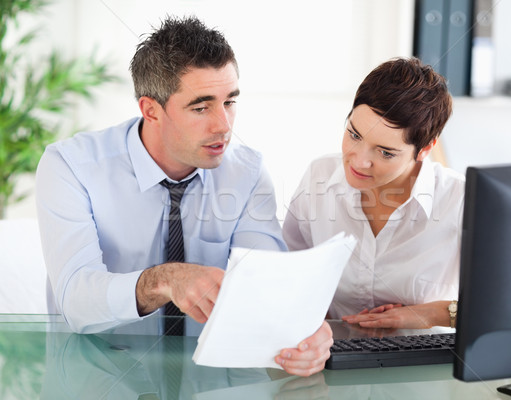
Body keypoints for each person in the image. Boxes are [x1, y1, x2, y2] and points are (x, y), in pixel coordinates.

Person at [36, 16, 331, 377]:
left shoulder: (248, 173)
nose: (223, 125)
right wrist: (165, 279)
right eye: (201, 107)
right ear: (151, 110)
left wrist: (306, 330)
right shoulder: (71, 166)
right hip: (95, 378)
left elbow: (267, 288)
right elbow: (75, 301)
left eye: (230, 102)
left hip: (210, 382)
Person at [282, 57, 465, 329]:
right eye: (354, 135)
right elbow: (288, 276)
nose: (358, 161)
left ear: (425, 149)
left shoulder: (461, 200)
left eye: (385, 152)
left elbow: (504, 306)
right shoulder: (319, 176)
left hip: (423, 361)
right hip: (330, 355)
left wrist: (428, 314)